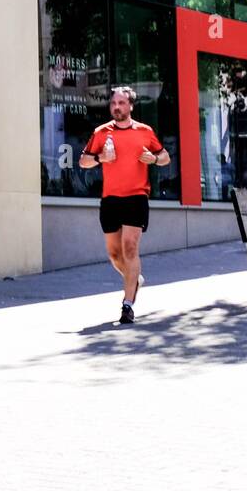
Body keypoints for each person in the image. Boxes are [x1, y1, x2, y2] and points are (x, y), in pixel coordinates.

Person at [79, 85, 170, 324]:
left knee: (130, 248)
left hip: (136, 197)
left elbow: (165, 157)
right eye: (113, 104)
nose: (116, 107)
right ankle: (134, 279)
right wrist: (101, 158)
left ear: (130, 106)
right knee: (114, 254)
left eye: (121, 103)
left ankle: (127, 305)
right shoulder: (101, 133)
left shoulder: (145, 131)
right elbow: (83, 161)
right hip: (110, 199)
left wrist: (153, 158)